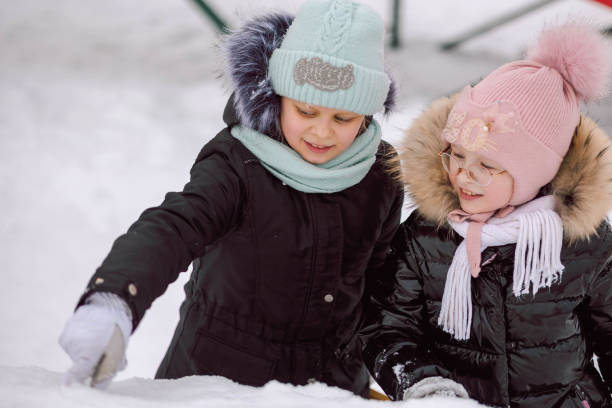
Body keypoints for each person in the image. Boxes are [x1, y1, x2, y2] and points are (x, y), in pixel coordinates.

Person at [58, 0, 403, 397]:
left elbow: (382, 287)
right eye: (306, 111)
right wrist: (114, 301)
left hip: (329, 390)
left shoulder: (380, 174)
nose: (322, 133)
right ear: (277, 97)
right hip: (218, 384)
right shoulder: (238, 164)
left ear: (367, 115)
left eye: (342, 118)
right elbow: (174, 226)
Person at [359, 23, 612, 407]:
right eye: (457, 154)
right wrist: (424, 385)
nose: (464, 174)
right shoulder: (429, 234)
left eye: (487, 165)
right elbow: (388, 326)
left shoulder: (582, 241)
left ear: (536, 172)